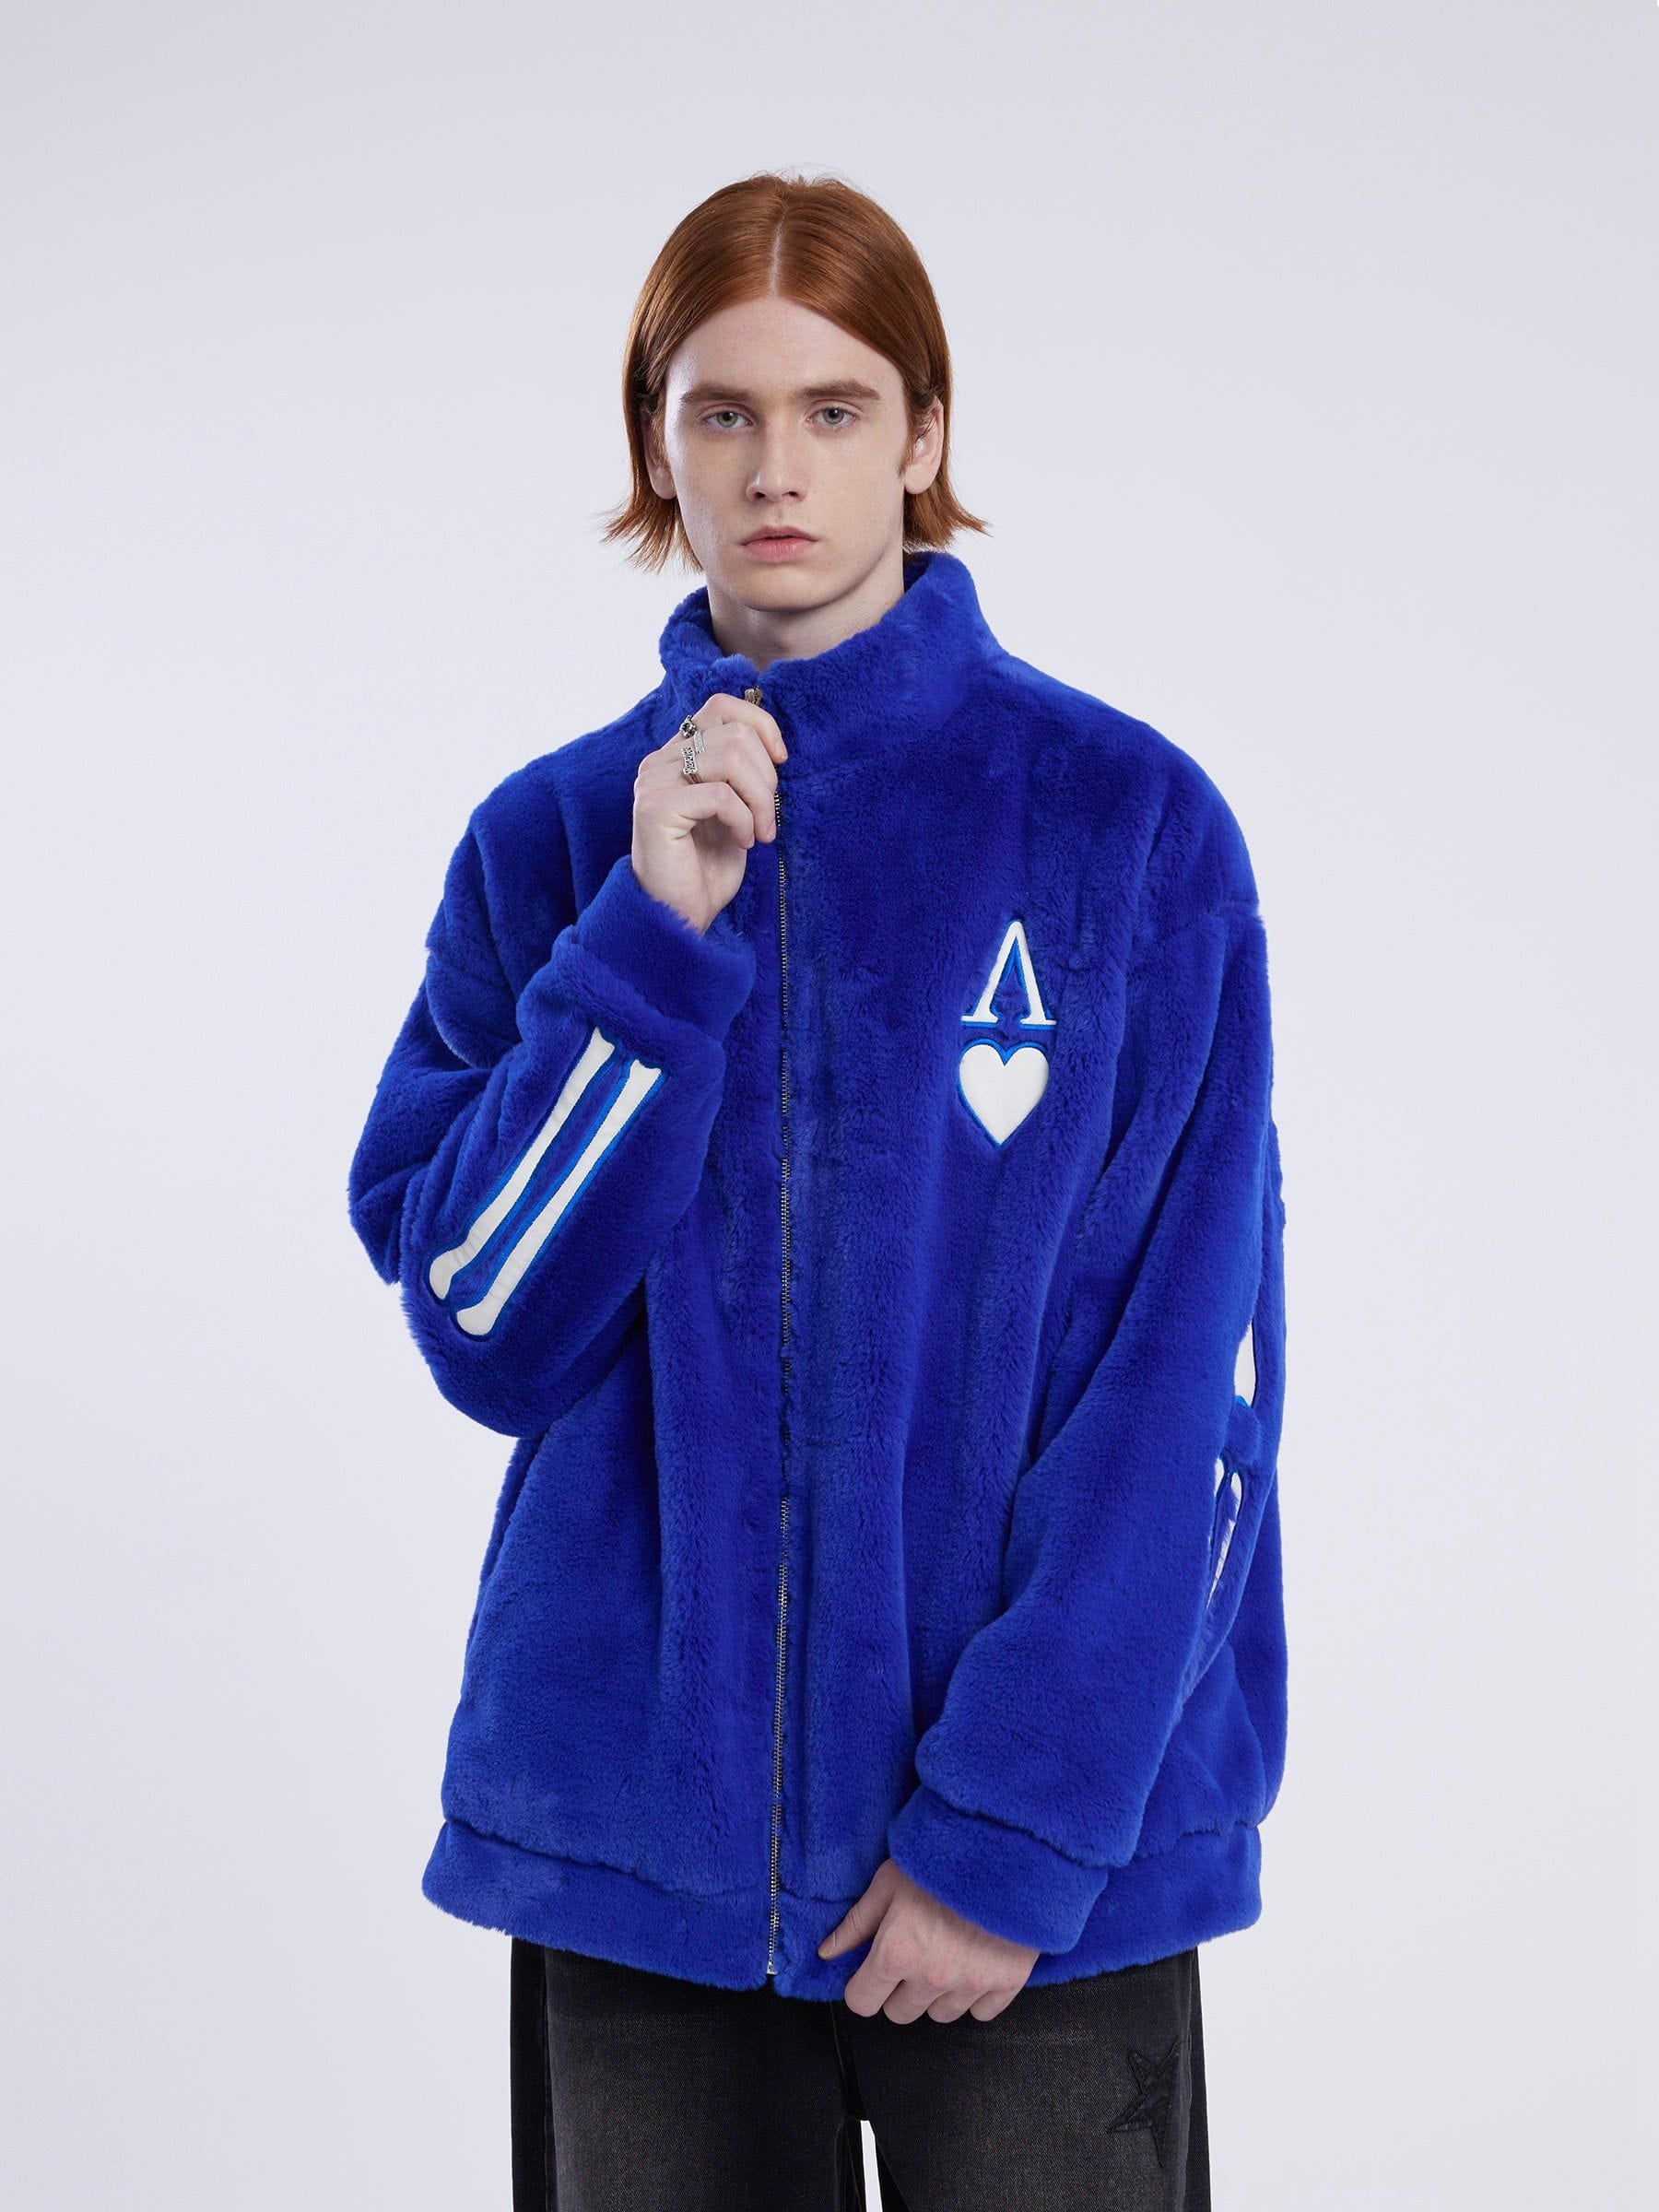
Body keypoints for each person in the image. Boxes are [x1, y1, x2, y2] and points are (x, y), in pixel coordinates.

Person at [347, 169, 1288, 2212]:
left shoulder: (1125, 827)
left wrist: (1012, 1831)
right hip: (643, 1872)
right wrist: (650, 946)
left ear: (925, 435)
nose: (777, 467)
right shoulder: (547, 848)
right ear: (657, 446)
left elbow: (1189, 1376)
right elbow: (484, 1326)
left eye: (836, 408)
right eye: (723, 411)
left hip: (1042, 1887)